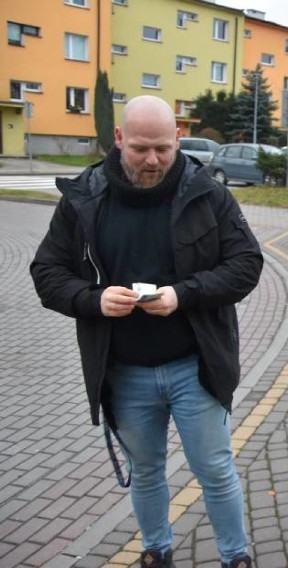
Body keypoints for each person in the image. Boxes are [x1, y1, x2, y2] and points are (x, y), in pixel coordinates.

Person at [30, 96, 262, 568]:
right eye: (140, 149)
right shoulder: (84, 197)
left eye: (162, 148)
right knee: (147, 471)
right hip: (125, 371)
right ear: (118, 140)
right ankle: (156, 553)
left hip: (195, 366)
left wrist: (184, 294)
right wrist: (93, 300)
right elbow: (46, 273)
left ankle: (235, 557)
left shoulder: (206, 192)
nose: (153, 160)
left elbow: (246, 265)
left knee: (214, 470)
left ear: (178, 139)